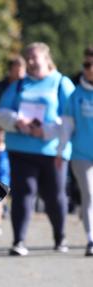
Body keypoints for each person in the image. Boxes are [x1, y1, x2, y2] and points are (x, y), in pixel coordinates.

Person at [0, 42, 76, 256]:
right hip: (21, 149)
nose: (29, 62)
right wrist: (17, 121)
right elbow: (0, 112)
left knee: (54, 195)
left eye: (33, 58)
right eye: (26, 58)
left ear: (46, 59)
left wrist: (47, 131)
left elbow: (71, 119)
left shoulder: (61, 83)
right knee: (23, 193)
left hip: (53, 152)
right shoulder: (19, 85)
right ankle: (19, 241)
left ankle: (60, 236)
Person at [57, 46, 93, 256]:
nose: (89, 69)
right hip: (81, 155)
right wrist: (61, 152)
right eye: (86, 65)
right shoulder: (76, 94)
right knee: (89, 194)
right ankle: (90, 239)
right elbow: (66, 126)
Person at [0, 56, 25, 142]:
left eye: (21, 71)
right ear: (10, 70)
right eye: (17, 71)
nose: (19, 75)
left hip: (19, 132)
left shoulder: (27, 88)